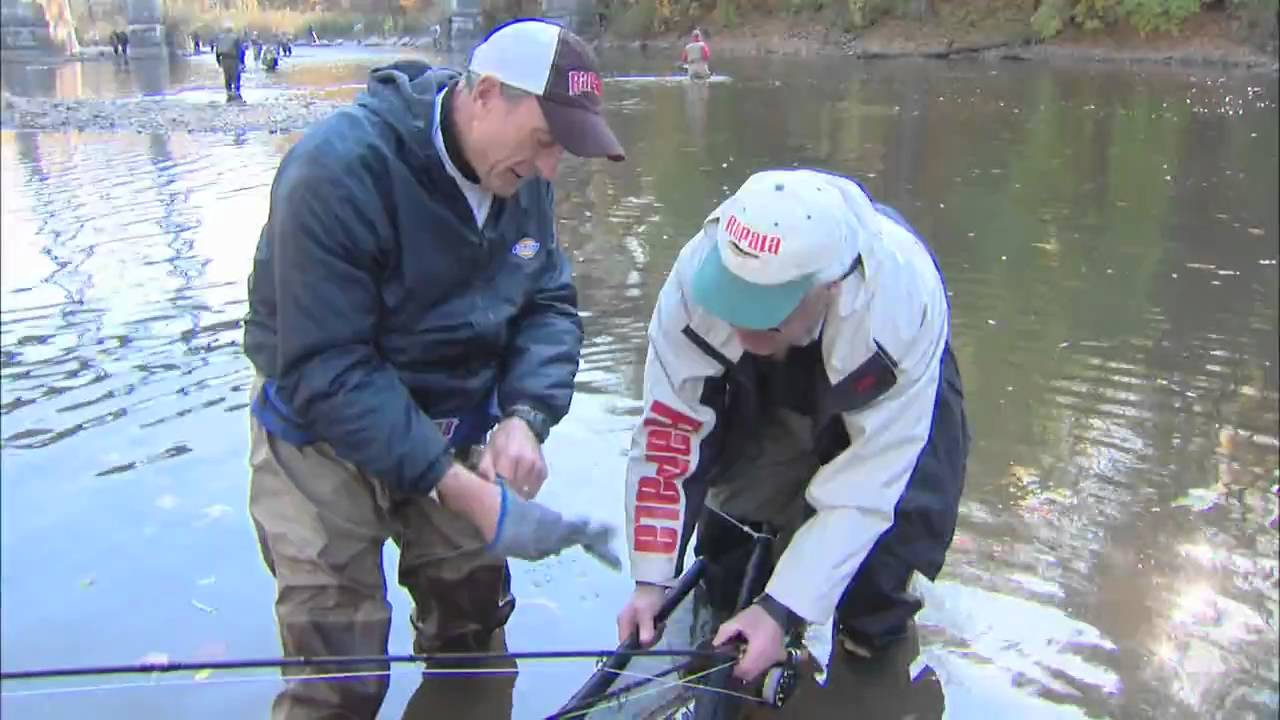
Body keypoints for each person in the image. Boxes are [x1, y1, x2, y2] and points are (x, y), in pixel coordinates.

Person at [243, 18, 626, 720]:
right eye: (545, 141)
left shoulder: (522, 179)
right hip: (320, 437)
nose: (549, 170)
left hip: (455, 421)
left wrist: (525, 416)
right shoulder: (335, 171)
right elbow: (328, 369)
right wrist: (457, 487)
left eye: (561, 151)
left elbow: (547, 301)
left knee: (473, 635)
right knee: (342, 676)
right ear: (484, 94)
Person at [616, 169, 969, 686]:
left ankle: (870, 671)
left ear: (827, 288)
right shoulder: (696, 278)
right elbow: (670, 435)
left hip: (883, 384)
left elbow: (869, 482)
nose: (739, 323)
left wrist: (782, 610)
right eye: (730, 301)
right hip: (762, 375)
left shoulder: (902, 304)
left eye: (762, 313)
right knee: (732, 547)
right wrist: (651, 581)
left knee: (880, 577)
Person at [214, 25, 244, 101]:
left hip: (224, 59)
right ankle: (236, 92)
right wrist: (242, 61)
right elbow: (240, 50)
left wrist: (218, 61)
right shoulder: (235, 37)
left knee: (227, 77)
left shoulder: (220, 38)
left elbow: (217, 50)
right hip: (234, 59)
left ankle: (228, 92)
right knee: (236, 76)